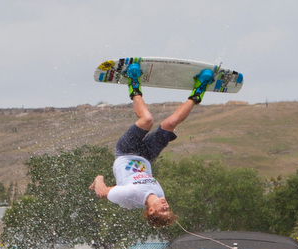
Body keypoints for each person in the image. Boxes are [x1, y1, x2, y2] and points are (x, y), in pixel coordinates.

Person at [90, 61, 216, 228]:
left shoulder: (130, 195)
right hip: (147, 156)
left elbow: (102, 192)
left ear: (150, 210)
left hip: (126, 152)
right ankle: (199, 88)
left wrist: (98, 179)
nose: (166, 206)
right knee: (170, 124)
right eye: (168, 209)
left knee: (147, 120)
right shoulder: (159, 193)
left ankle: (133, 81)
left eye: (163, 210)